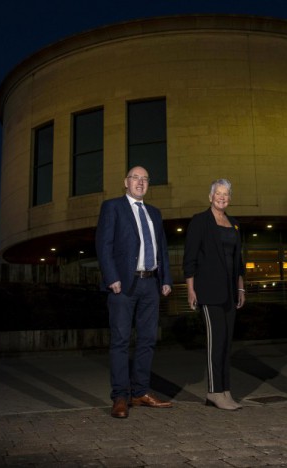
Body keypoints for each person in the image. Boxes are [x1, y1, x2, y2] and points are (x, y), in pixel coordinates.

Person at [95, 166, 173, 418]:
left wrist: (166, 279)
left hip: (150, 283)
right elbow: (103, 244)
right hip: (123, 284)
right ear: (125, 182)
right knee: (120, 341)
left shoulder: (154, 213)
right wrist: (111, 277)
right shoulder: (113, 207)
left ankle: (140, 392)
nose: (140, 182)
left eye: (145, 179)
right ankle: (120, 396)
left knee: (147, 340)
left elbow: (161, 248)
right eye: (135, 178)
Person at [183, 179, 246, 411]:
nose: (222, 197)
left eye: (226, 194)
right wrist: (191, 288)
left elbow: (238, 260)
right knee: (215, 342)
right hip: (208, 291)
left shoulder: (235, 224)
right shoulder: (200, 222)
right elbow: (189, 257)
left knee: (227, 343)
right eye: (218, 193)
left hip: (230, 291)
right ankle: (213, 392)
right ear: (210, 196)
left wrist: (240, 287)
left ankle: (225, 390)